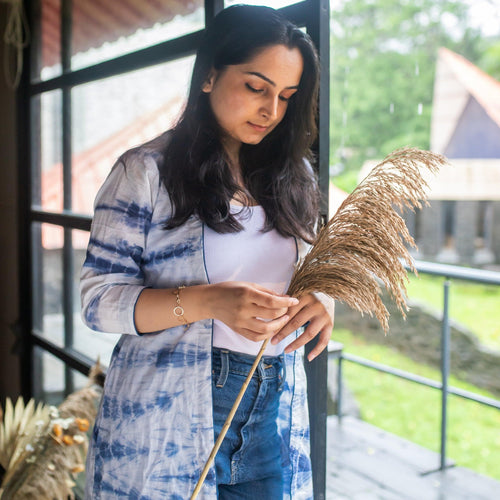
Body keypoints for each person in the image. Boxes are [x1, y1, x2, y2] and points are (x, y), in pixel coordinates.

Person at [81, 4, 334, 499]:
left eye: (287, 96)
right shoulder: (145, 171)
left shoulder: (295, 176)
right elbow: (97, 300)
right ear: (210, 75)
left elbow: (311, 270)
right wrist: (210, 301)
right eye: (256, 87)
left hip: (272, 401)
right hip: (170, 409)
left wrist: (322, 300)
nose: (271, 111)